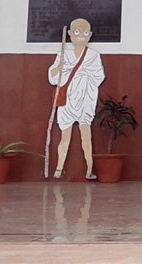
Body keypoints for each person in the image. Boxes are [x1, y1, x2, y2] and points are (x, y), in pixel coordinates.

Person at [47, 18, 105, 181]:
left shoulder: (93, 56)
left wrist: (83, 73)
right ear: (70, 34)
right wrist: (59, 68)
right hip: (67, 101)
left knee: (86, 136)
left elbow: (99, 77)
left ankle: (89, 169)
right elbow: (53, 77)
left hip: (86, 100)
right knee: (64, 137)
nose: (81, 36)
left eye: (85, 32)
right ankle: (59, 168)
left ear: (90, 35)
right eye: (77, 32)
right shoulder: (63, 54)